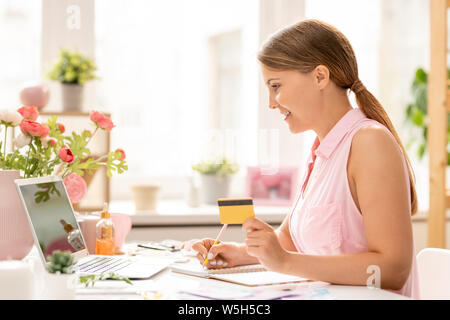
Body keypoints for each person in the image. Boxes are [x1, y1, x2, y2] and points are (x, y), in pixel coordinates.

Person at [181, 19, 419, 299]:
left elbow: (392, 269)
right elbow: (291, 240)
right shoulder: (321, 151)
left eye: (276, 85)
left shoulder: (370, 143)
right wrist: (241, 254)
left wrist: (284, 261)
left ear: (320, 77)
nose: (271, 102)